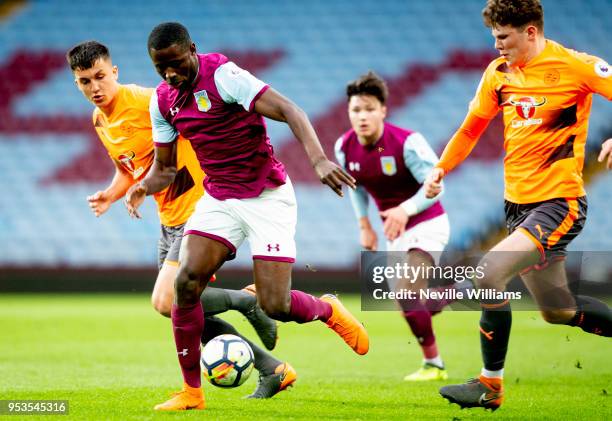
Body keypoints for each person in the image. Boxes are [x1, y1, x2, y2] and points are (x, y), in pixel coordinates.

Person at [124, 22, 369, 411]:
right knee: (184, 287)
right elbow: (166, 169)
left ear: (192, 49)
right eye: (161, 68)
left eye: (176, 64)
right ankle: (191, 393)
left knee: (276, 305)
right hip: (219, 197)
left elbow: (290, 110)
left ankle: (327, 309)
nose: (170, 74)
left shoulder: (223, 76)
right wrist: (141, 186)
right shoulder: (163, 101)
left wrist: (319, 160)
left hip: (266, 197)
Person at [67, 40, 298, 400]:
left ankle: (245, 302)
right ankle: (273, 369)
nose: (94, 88)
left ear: (115, 72)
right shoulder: (100, 120)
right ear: (76, 84)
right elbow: (127, 167)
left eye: (100, 77)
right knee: (182, 311)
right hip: (168, 216)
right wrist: (111, 195)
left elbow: (175, 150)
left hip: (197, 207)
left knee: (166, 301)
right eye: (84, 82)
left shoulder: (148, 101)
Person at [423, 0, 612, 411]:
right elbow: (471, 128)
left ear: (530, 31)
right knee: (559, 312)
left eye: (503, 37)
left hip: (558, 203)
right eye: (493, 36)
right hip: (517, 208)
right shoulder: (499, 74)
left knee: (488, 274)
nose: (496, 46)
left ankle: (490, 386)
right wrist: (441, 167)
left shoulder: (577, 67)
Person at [335, 71, 452, 381]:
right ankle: (463, 291)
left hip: (428, 223)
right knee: (411, 304)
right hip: (394, 231)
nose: (362, 116)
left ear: (383, 110)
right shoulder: (344, 147)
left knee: (406, 293)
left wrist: (404, 209)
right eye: (356, 110)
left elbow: (437, 187)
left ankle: (434, 365)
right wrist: (364, 224)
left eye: (369, 109)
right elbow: (356, 187)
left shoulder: (407, 143)